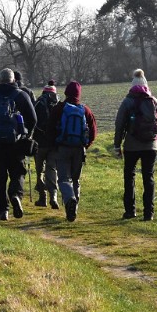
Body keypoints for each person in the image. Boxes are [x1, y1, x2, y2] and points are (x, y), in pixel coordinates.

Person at [0, 68, 37, 221]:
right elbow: (33, 119)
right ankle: (15, 195)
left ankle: (2, 211)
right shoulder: (21, 95)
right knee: (18, 172)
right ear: (14, 80)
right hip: (17, 143)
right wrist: (27, 134)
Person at [113, 83, 157, 221]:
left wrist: (117, 145)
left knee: (129, 176)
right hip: (151, 146)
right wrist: (156, 142)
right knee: (148, 177)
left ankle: (130, 211)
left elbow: (119, 125)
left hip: (132, 146)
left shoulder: (127, 102)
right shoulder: (154, 101)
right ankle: (149, 213)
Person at [49, 81, 97, 222]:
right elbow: (93, 132)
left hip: (62, 148)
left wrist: (54, 145)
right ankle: (73, 209)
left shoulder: (59, 109)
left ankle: (70, 200)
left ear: (66, 93)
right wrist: (85, 146)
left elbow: (49, 128)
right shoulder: (85, 110)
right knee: (76, 180)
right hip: (79, 150)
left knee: (64, 179)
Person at [32, 81, 59, 209]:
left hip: (39, 143)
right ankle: (54, 197)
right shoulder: (57, 104)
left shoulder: (37, 103)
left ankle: (43, 197)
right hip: (53, 143)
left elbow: (32, 121)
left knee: (39, 171)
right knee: (52, 169)